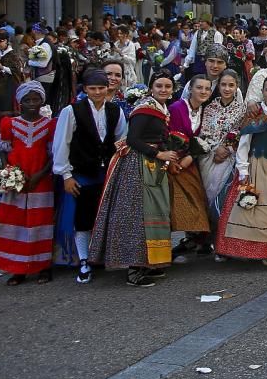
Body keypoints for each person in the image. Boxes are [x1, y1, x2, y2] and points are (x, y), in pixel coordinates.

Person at [90, 71, 180, 287]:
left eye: (167, 86)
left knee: (152, 213)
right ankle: (134, 269)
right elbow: (132, 139)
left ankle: (147, 264)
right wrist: (158, 154)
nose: (163, 90)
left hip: (151, 164)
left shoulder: (160, 108)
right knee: (139, 215)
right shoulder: (145, 108)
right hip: (138, 165)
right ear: (151, 87)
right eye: (159, 86)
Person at [51, 69, 128, 282]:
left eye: (101, 88)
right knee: (83, 217)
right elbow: (61, 144)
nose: (97, 92)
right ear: (85, 89)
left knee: (103, 214)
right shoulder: (71, 111)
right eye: (92, 88)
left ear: (108, 88)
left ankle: (100, 255)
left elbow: (122, 141)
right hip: (81, 171)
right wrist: (66, 175)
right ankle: (84, 260)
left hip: (106, 172)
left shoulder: (115, 111)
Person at [216, 75, 267, 266]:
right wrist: (243, 171)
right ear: (262, 92)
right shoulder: (255, 113)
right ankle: (242, 249)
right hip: (256, 164)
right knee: (248, 207)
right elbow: (244, 143)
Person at [0, 82, 56, 284]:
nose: (31, 104)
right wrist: (10, 173)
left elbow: (52, 154)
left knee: (40, 223)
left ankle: (43, 266)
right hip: (16, 182)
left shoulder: (49, 125)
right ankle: (18, 268)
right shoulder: (9, 123)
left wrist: (39, 175)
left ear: (42, 101)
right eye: (26, 100)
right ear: (19, 102)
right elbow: (5, 150)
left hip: (41, 180)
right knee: (15, 223)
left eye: (35, 99)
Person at [167, 75, 214, 258]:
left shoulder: (205, 111)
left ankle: (197, 238)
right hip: (173, 160)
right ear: (190, 89)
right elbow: (167, 135)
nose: (203, 92)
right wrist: (173, 160)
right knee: (176, 201)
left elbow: (202, 139)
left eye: (206, 89)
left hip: (189, 161)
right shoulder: (177, 108)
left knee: (197, 199)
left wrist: (190, 156)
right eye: (199, 88)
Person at [198, 69, 246, 219]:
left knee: (221, 197)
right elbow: (203, 132)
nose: (227, 89)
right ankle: (201, 234)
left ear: (236, 86)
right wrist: (215, 148)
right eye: (223, 84)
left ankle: (217, 235)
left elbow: (242, 133)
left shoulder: (242, 109)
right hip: (208, 157)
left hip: (229, 158)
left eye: (231, 85)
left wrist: (227, 149)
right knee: (204, 194)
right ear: (218, 86)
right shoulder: (209, 107)